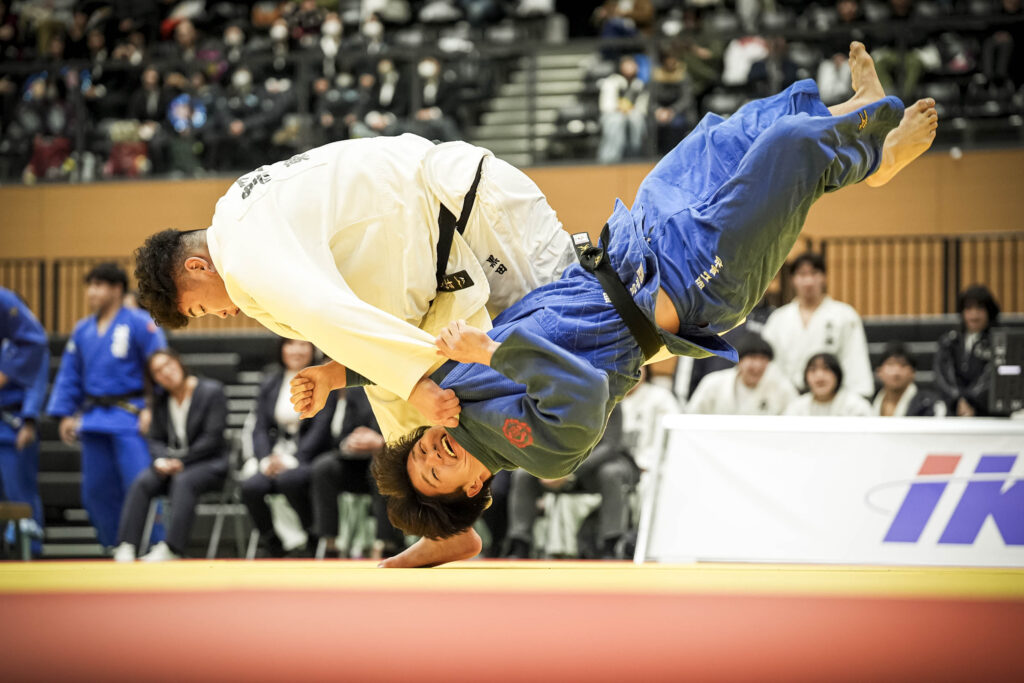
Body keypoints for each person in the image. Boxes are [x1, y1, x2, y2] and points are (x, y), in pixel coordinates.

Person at [365, 43, 936, 566]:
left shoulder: (448, 397)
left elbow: (394, 358)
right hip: (692, 285)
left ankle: (858, 117)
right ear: (471, 489)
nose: (432, 453)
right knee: (788, 150)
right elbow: (583, 392)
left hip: (636, 238)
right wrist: (491, 352)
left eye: (419, 454)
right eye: (433, 473)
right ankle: (875, 155)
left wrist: (331, 371)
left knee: (732, 133)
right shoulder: (540, 454)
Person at [132, 133, 576, 444]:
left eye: (201, 309)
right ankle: (444, 526)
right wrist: (338, 374)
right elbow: (364, 320)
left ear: (197, 266)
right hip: (445, 240)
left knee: (576, 341)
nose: (222, 314)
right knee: (409, 417)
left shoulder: (243, 255)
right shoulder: (243, 216)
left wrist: (414, 386)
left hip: (470, 212)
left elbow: (327, 314)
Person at [46, 263, 167, 549]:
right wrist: (65, 414)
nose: (91, 292)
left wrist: (152, 407)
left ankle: (154, 546)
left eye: (98, 285)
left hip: (131, 417)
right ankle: (114, 546)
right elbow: (70, 374)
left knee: (140, 484)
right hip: (94, 418)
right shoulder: (82, 330)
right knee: (95, 492)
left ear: (117, 289)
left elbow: (160, 366)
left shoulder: (140, 323)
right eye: (90, 286)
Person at [113, 349, 229, 562]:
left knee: (183, 480)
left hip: (209, 464)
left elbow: (212, 438)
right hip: (174, 465)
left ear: (179, 362)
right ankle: (127, 545)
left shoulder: (211, 391)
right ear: (154, 379)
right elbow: (154, 438)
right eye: (158, 371)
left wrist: (181, 461)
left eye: (168, 365)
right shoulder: (160, 400)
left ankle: (172, 549)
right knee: (143, 481)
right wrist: (162, 460)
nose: (165, 372)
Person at [241, 339, 336, 557]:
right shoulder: (270, 382)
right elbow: (260, 427)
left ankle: (311, 536)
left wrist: (293, 460)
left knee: (290, 480)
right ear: (281, 349)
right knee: (251, 487)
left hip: (309, 457)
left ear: (313, 350)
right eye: (290, 344)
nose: (296, 350)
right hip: (274, 456)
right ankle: (273, 543)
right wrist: (265, 459)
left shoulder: (324, 380)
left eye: (303, 345)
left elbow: (321, 428)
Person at [505, 406, 637, 560]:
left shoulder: (610, 397)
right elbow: (540, 436)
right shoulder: (550, 396)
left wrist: (568, 470)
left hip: (597, 466)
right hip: (558, 463)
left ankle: (611, 545)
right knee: (523, 474)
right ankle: (520, 544)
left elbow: (609, 446)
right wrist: (548, 466)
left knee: (611, 473)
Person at [761, 251, 874, 398]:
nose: (808, 281)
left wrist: (857, 397)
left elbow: (854, 360)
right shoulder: (778, 318)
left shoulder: (845, 316)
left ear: (824, 278)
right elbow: (770, 364)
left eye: (814, 273)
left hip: (833, 398)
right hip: (787, 399)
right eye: (802, 274)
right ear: (793, 280)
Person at [310, 386, 403, 559]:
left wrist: (382, 442)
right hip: (358, 461)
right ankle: (330, 544)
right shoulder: (356, 390)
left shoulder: (402, 386)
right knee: (323, 467)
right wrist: (351, 441)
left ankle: (386, 544)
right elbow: (344, 433)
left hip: (396, 458)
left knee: (380, 466)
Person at [0, 287, 49, 556]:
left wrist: (29, 421)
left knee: (20, 489)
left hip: (14, 422)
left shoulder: (27, 347)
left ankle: (32, 550)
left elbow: (36, 384)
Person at [686, 335, 797, 415]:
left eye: (763, 359)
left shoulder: (782, 388)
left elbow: (793, 421)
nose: (758, 365)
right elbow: (692, 417)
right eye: (752, 358)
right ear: (738, 361)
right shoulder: (713, 383)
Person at [934, 284, 1000, 417]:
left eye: (980, 308)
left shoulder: (998, 342)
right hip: (954, 412)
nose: (974, 314)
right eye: (968, 308)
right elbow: (942, 376)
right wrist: (958, 401)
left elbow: (995, 376)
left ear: (989, 311)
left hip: (988, 414)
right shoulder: (949, 341)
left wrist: (971, 402)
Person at [784, 353, 873, 417]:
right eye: (813, 370)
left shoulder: (856, 406)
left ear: (837, 375)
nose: (819, 376)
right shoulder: (796, 407)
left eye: (826, 369)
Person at [872, 342, 946, 417]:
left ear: (913, 372)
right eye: (890, 364)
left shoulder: (929, 404)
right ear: (879, 371)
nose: (896, 372)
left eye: (903, 365)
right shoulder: (869, 403)